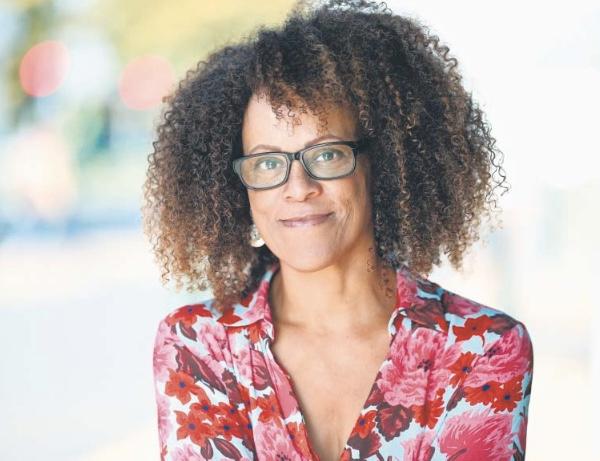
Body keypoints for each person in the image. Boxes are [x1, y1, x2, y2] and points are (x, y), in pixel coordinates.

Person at [142, 0, 534, 460]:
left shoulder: (482, 349)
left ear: (382, 163)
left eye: (326, 154)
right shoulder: (197, 346)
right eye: (267, 163)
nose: (298, 188)